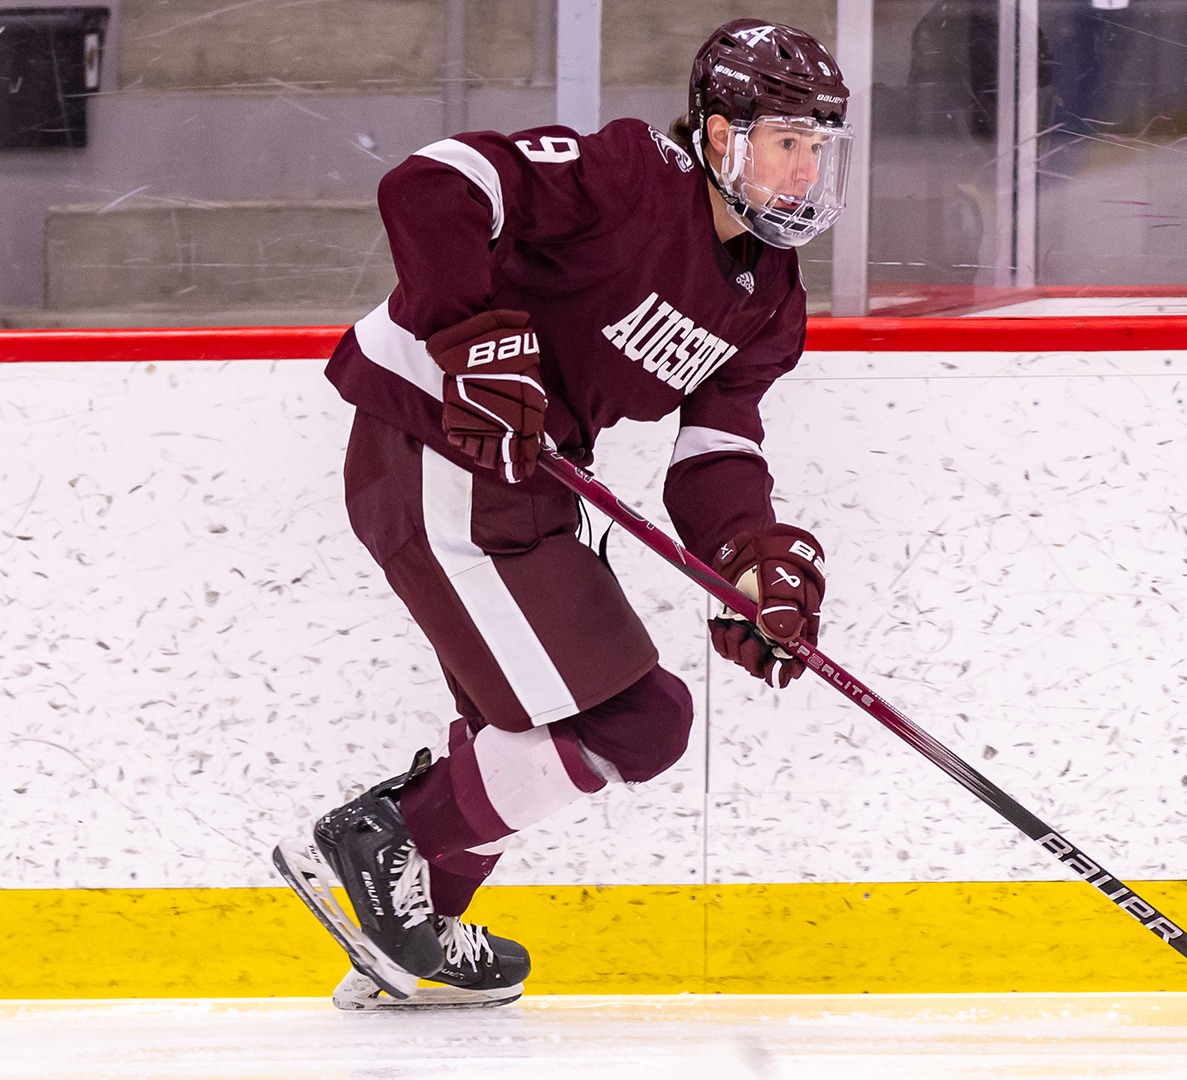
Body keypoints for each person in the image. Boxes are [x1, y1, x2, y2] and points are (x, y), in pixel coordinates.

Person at [271, 18, 851, 1010]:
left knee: (518, 735)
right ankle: (380, 843)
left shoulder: (770, 299)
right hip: (437, 446)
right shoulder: (631, 177)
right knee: (641, 720)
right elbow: (433, 185)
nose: (802, 170)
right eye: (784, 141)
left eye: (816, 146)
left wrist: (749, 560)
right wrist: (472, 339)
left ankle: (411, 938)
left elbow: (717, 453)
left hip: (529, 476)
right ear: (718, 135)